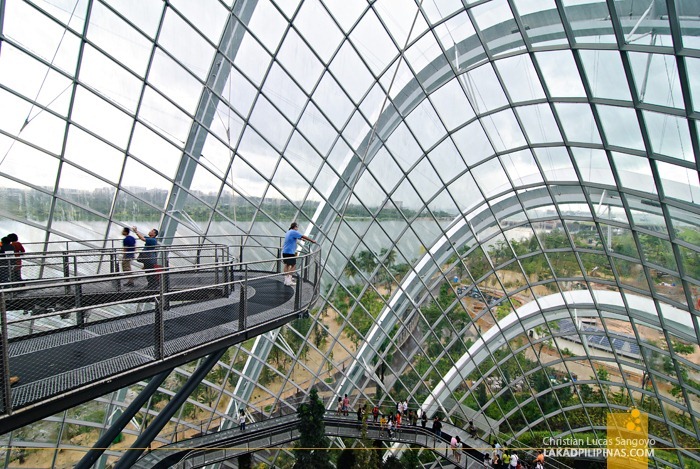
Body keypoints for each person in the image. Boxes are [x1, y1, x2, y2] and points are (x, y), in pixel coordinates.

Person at [282, 222, 316, 286]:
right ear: (295, 227)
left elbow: (296, 237)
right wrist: (312, 240)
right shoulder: (294, 232)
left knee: (286, 265)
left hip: (285, 251)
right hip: (290, 252)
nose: (297, 228)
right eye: (297, 227)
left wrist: (301, 239)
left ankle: (286, 280)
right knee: (293, 265)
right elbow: (303, 236)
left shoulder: (289, 232)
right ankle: (289, 281)